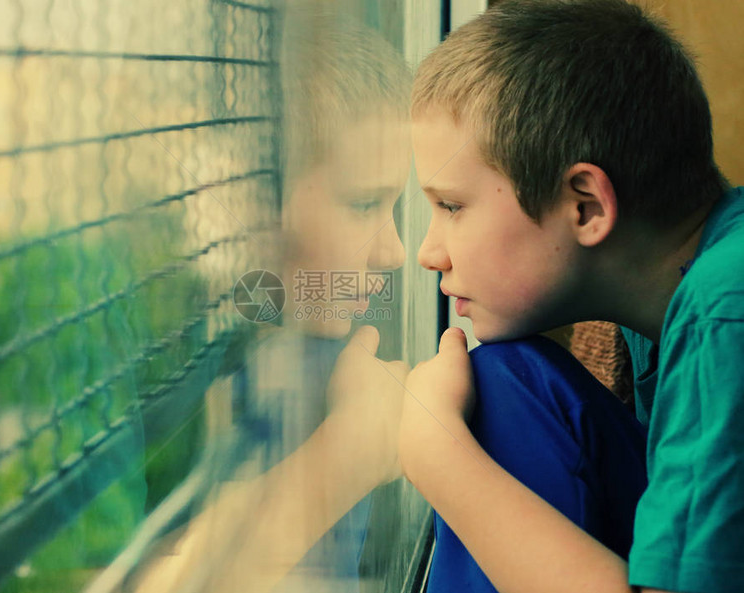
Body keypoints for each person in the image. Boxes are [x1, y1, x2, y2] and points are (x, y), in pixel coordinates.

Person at [397, 1, 742, 592]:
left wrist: (437, 453)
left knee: (499, 390)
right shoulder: (676, 299)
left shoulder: (724, 312)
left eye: (451, 206)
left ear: (585, 206)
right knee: (514, 378)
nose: (429, 252)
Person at [127, 8, 412, 593]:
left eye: (395, 209)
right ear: (254, 199)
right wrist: (354, 450)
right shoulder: (165, 368)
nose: (396, 252)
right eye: (363, 205)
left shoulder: (312, 357)